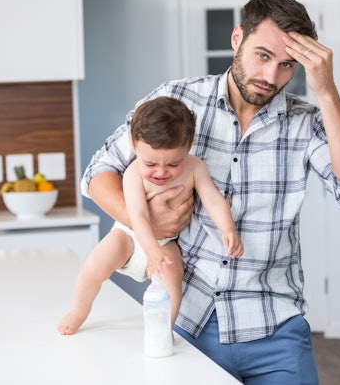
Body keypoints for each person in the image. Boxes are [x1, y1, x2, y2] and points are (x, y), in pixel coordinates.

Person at [81, 0, 340, 384]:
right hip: (187, 322)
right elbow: (97, 174)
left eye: (288, 65)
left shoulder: (308, 121)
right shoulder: (178, 99)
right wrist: (146, 225)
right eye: (263, 55)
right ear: (237, 37)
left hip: (277, 329)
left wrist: (326, 93)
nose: (271, 76)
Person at [58, 96, 243, 336]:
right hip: (128, 234)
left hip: (165, 243)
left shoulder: (195, 167)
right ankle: (79, 310)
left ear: (189, 147)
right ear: (134, 147)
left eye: (173, 164)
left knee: (173, 282)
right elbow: (138, 217)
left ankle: (164, 331)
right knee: (93, 267)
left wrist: (228, 229)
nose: (161, 172)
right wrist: (150, 251)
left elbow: (212, 199)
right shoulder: (133, 173)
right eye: (151, 163)